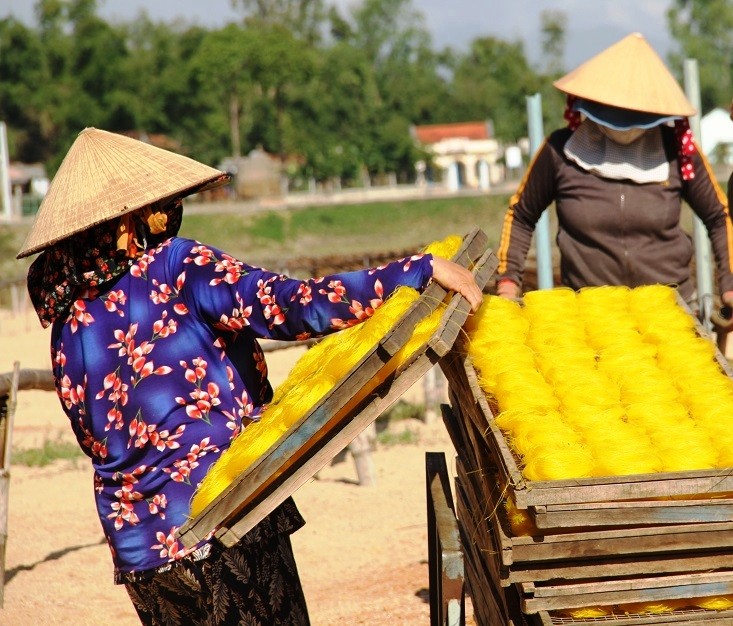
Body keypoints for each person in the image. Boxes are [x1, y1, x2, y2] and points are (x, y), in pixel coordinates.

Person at [17, 127, 483, 625]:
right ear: (127, 223)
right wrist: (412, 272)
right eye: (160, 206)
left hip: (142, 551)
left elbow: (94, 439)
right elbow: (289, 305)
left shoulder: (67, 323)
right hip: (223, 517)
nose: (169, 214)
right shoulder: (175, 266)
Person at [495, 32, 733, 310]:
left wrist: (729, 284)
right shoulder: (560, 150)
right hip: (590, 310)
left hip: (671, 307)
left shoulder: (678, 151)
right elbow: (522, 215)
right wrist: (509, 282)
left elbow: (718, 216)